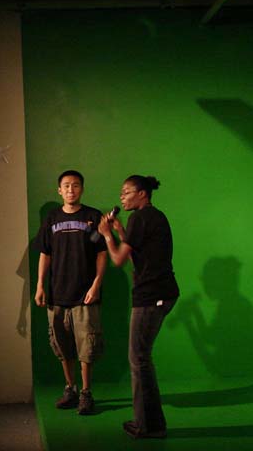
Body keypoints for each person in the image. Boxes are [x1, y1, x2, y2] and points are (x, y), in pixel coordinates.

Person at [97, 175, 179, 439]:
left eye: (126, 192)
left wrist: (107, 235)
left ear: (142, 193)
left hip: (152, 295)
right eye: (121, 193)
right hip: (161, 292)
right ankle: (150, 423)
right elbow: (138, 257)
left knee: (139, 358)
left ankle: (149, 426)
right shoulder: (151, 217)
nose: (122, 197)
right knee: (141, 357)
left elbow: (119, 259)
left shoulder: (141, 218)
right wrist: (121, 232)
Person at [33, 170, 107, 415]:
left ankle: (86, 393)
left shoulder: (92, 217)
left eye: (75, 185)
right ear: (59, 190)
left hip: (85, 295)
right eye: (66, 185)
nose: (71, 189)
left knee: (87, 346)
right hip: (57, 294)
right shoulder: (52, 219)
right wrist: (40, 285)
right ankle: (70, 389)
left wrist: (96, 285)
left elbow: (101, 252)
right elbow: (45, 253)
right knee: (62, 345)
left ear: (82, 189)